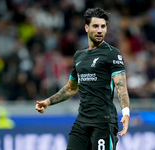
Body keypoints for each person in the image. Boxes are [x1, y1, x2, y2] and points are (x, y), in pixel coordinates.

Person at [35, 8, 130, 150]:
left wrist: (126, 113)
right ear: (86, 28)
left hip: (103, 122)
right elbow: (71, 88)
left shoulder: (112, 54)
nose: (100, 30)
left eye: (103, 26)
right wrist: (48, 102)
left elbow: (121, 86)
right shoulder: (79, 56)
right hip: (82, 121)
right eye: (95, 26)